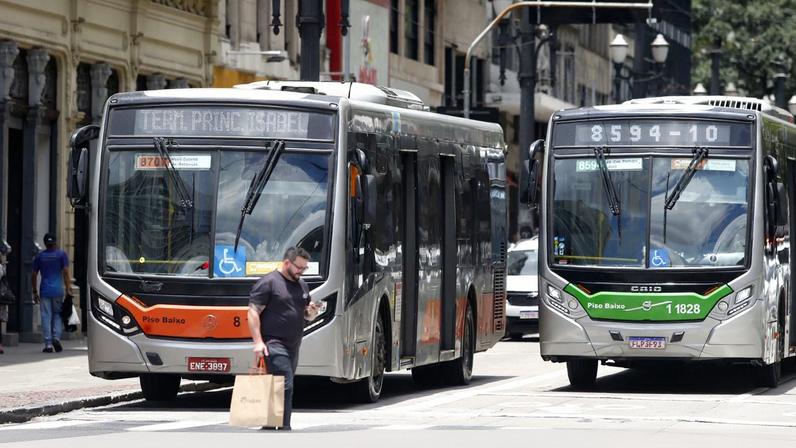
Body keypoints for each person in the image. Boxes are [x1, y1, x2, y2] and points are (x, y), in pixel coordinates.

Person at [247, 247, 319, 431]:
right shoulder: (269, 283)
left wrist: (312, 312)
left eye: (304, 268)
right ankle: (285, 427)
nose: (301, 271)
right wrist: (258, 342)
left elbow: (306, 315)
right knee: (285, 383)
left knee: (277, 385)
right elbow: (253, 312)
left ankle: (270, 426)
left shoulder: (302, 285)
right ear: (287, 263)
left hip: (293, 344)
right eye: (299, 267)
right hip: (273, 343)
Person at [32, 233, 72, 353]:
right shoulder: (61, 255)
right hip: (58, 290)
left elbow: (34, 274)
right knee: (57, 315)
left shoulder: (40, 256)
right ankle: (56, 338)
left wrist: (34, 291)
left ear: (45, 244)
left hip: (45, 290)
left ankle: (48, 344)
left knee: (46, 316)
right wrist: (68, 288)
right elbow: (65, 272)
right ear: (55, 243)